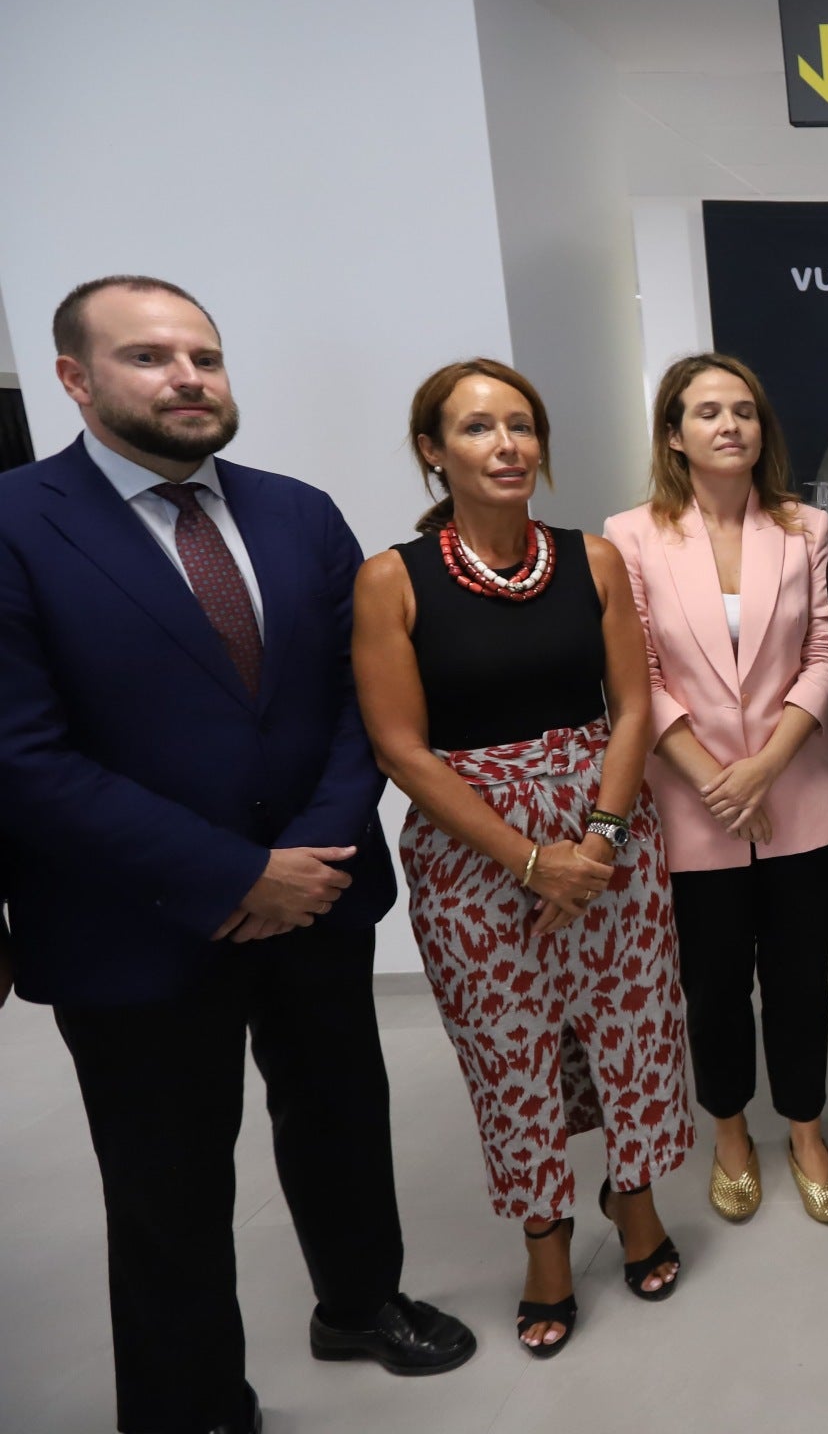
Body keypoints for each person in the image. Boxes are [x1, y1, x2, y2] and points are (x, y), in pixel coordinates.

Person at [0, 277, 473, 1434]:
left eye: (204, 355)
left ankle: (360, 1302)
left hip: (312, 898)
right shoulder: (16, 524)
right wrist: (230, 873)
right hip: (137, 922)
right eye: (150, 357)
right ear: (75, 377)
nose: (188, 378)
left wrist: (302, 859)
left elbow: (361, 707)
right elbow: (23, 753)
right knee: (166, 1184)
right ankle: (191, 1401)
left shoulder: (298, 513)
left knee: (342, 1117)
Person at [355, 358, 693, 1358]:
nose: (507, 445)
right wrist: (531, 860)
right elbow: (400, 748)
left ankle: (632, 1198)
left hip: (610, 832)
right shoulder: (391, 580)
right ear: (433, 452)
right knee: (512, 1052)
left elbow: (630, 706)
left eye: (521, 426)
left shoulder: (591, 561)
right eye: (476, 429)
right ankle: (545, 1236)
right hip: (473, 855)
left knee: (631, 1032)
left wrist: (598, 839)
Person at [605, 353, 828, 1227]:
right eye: (706, 412)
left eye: (743, 410)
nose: (729, 426)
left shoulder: (804, 529)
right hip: (689, 803)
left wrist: (764, 767)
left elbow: (823, 658)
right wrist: (718, 780)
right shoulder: (629, 535)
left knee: (800, 981)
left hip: (802, 793)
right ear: (674, 435)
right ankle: (732, 1134)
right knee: (711, 987)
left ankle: (807, 1130)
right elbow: (635, 676)